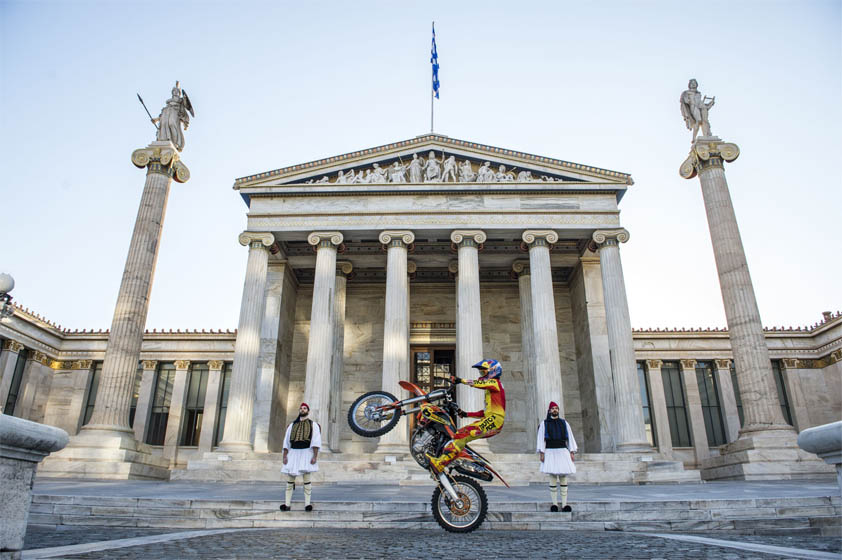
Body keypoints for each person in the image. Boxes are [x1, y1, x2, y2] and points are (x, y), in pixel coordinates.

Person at [427, 359, 506, 472]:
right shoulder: (492, 392)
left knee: (462, 434)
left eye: (483, 372)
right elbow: (484, 413)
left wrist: (460, 380)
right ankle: (451, 459)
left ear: (493, 371)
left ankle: (441, 463)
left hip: (495, 420)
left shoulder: (495, 383)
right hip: (492, 419)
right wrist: (465, 414)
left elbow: (477, 383)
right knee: (460, 434)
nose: (481, 375)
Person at [537, 401, 577, 512]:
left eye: (556, 408)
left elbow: (570, 437)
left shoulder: (564, 423)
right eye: (553, 408)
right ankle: (554, 504)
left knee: (563, 478)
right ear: (549, 411)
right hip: (550, 451)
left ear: (558, 410)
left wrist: (572, 451)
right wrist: (542, 452)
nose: (555, 410)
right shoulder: (544, 424)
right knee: (553, 478)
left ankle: (564, 504)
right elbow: (541, 439)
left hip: (562, 451)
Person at [280, 403, 321, 512]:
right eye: (301, 408)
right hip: (293, 452)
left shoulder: (314, 425)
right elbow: (286, 442)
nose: (302, 410)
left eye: (305, 408)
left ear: (308, 410)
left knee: (306, 479)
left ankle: (307, 504)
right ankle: (287, 504)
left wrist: (315, 456)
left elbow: (316, 441)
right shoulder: (292, 425)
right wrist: (285, 456)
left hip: (306, 452)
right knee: (290, 480)